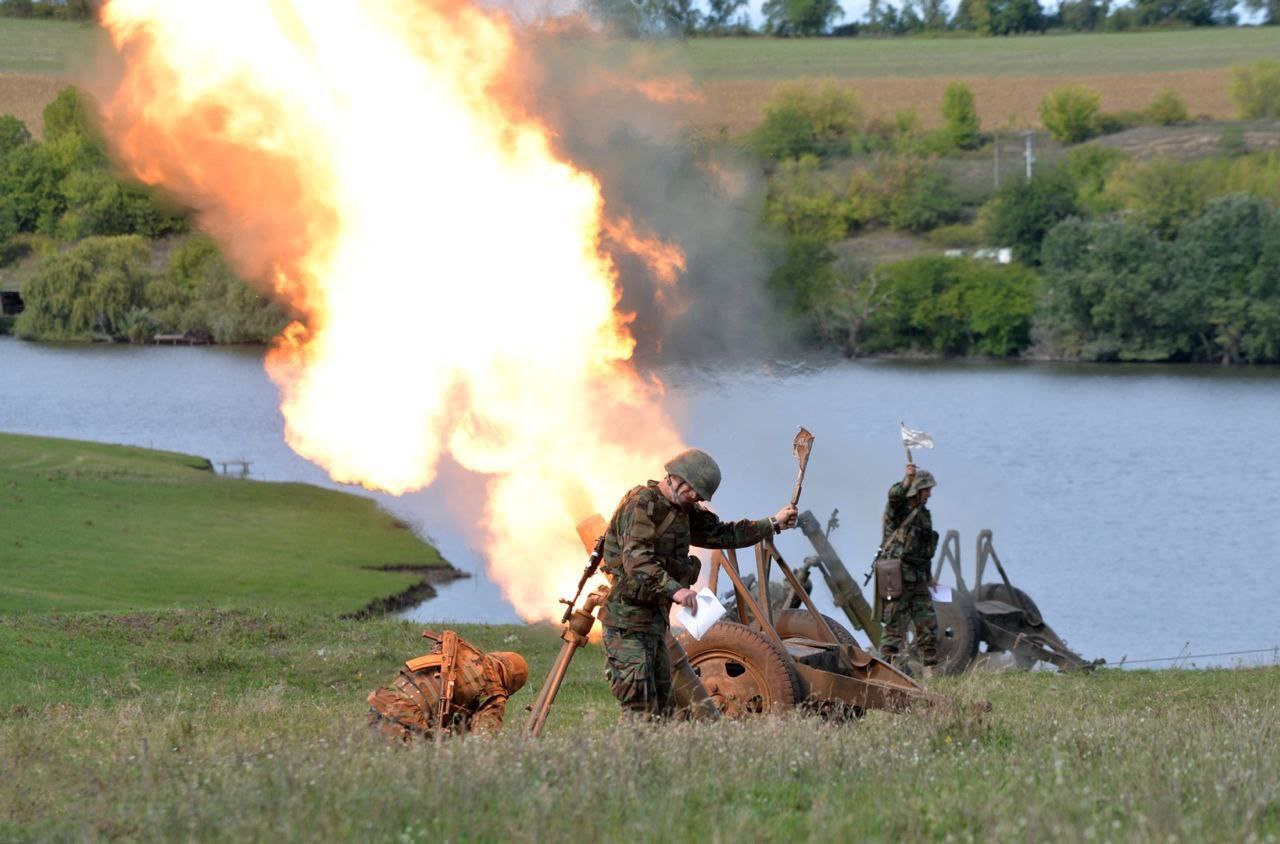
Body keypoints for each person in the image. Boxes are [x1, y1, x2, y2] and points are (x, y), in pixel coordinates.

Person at [599, 447, 799, 718]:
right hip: (627, 623)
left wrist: (773, 522)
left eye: (699, 495)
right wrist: (676, 590)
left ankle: (654, 758)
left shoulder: (684, 510)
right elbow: (637, 561)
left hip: (654, 622)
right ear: (675, 477)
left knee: (664, 709)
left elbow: (723, 534)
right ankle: (630, 758)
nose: (694, 497)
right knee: (639, 706)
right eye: (692, 490)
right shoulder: (642, 505)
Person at [367, 630, 528, 740]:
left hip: (383, 701)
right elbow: (483, 739)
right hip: (409, 720)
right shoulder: (494, 689)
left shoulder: (466, 651)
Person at [879, 463, 940, 673]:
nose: (930, 494)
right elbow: (894, 496)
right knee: (893, 629)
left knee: (928, 626)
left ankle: (931, 674)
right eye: (926, 490)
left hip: (919, 578)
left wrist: (930, 578)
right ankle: (884, 673)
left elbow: (926, 550)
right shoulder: (899, 509)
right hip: (898, 577)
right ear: (917, 489)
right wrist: (907, 479)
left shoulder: (924, 515)